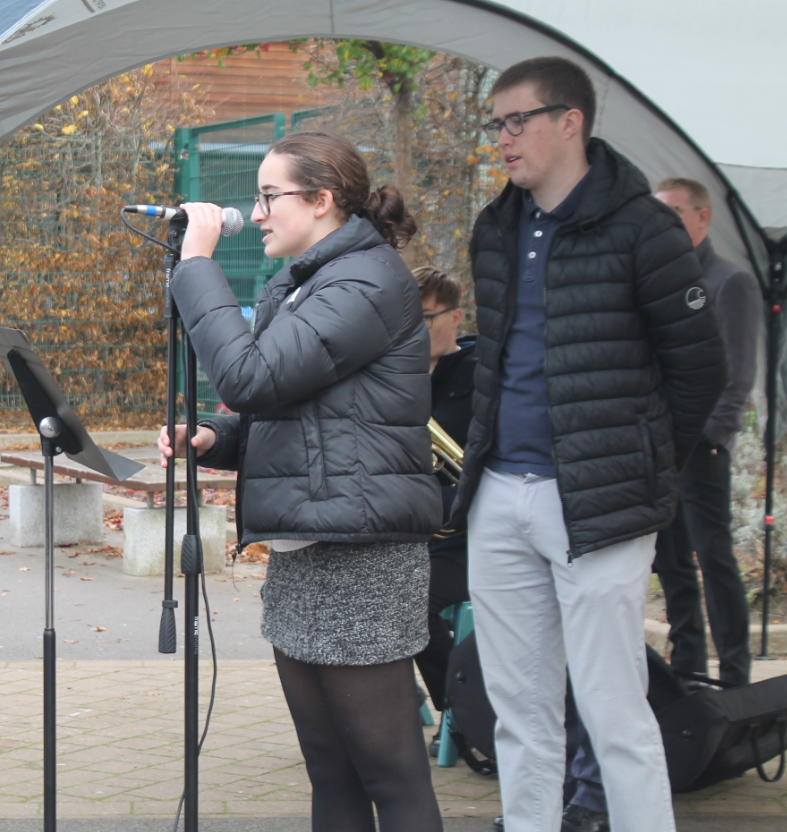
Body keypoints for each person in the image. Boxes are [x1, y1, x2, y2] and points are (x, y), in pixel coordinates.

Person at [450, 57, 727, 832]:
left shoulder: (643, 227)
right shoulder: (494, 227)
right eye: (494, 123)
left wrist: (638, 462)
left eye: (516, 121)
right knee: (519, 714)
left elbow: (699, 367)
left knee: (614, 713)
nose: (501, 139)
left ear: (568, 121)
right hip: (498, 495)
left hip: (599, 505)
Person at [157, 131, 444, 832]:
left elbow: (252, 378)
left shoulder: (369, 280)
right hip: (306, 553)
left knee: (390, 771)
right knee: (329, 766)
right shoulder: (302, 280)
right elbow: (295, 411)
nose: (254, 214)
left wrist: (196, 266)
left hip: (363, 556)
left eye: (268, 196)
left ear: (322, 201)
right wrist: (213, 438)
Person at [653, 177, 762, 687]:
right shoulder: (660, 280)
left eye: (675, 212)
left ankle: (735, 675)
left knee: (712, 558)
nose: (665, 222)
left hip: (702, 450)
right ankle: (687, 667)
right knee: (670, 562)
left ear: (702, 217)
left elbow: (738, 375)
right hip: (660, 447)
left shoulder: (730, 281)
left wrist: (710, 437)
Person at [410, 266, 475, 739]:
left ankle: (466, 716)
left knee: (411, 603)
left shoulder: (483, 377)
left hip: (466, 539)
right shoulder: (396, 376)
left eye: (427, 318)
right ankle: (389, 702)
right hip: (407, 532)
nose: (417, 329)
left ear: (456, 317)